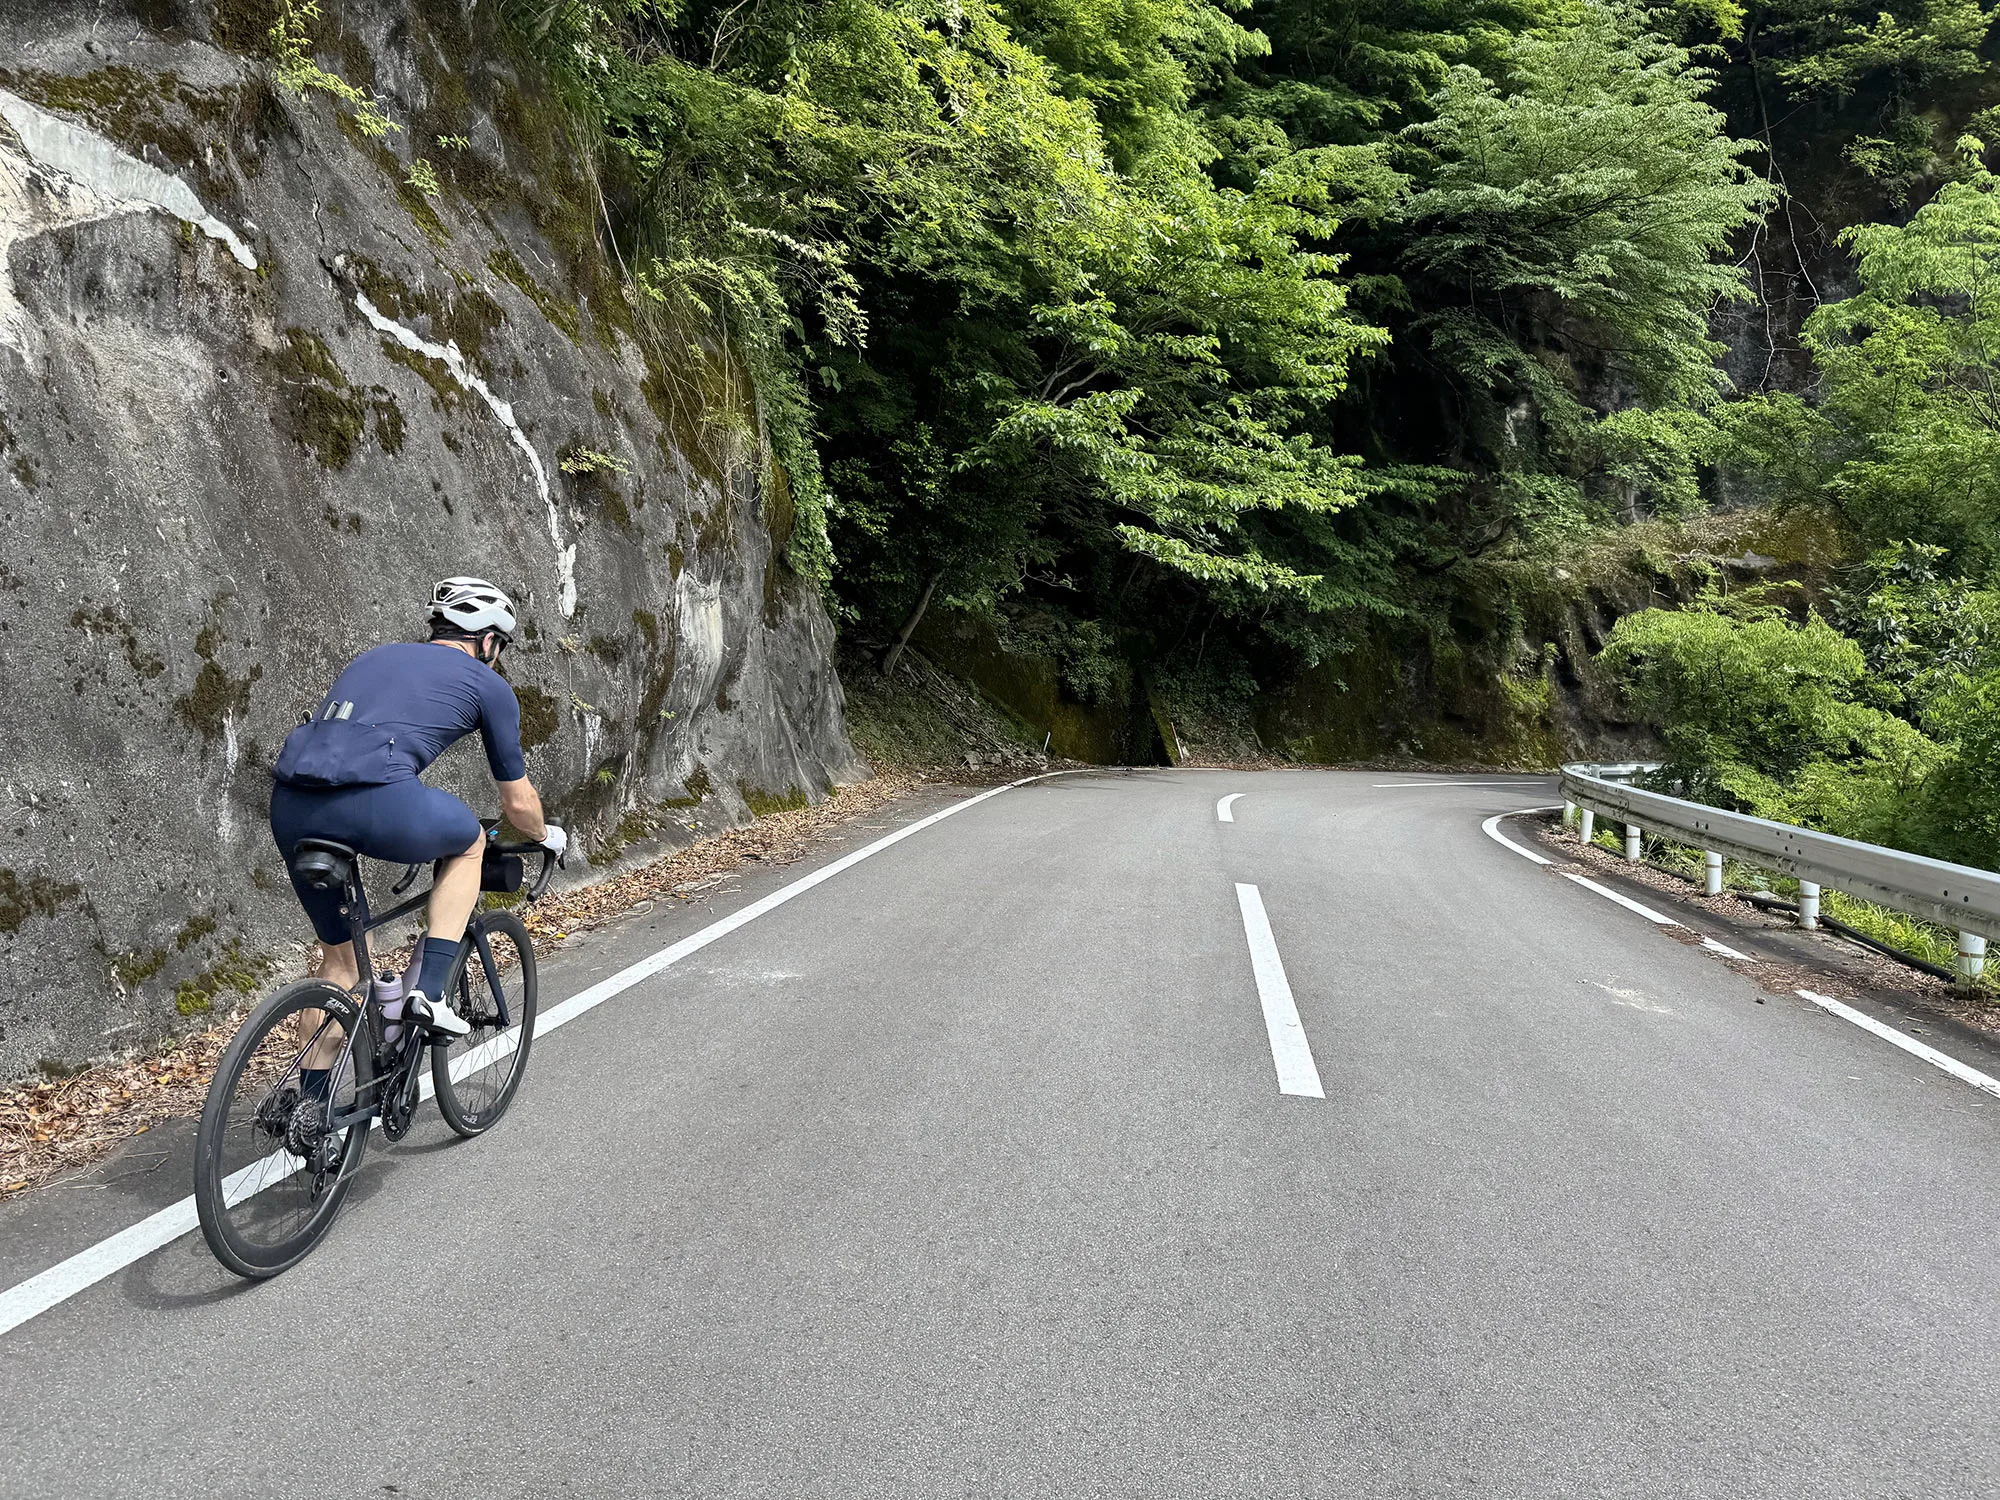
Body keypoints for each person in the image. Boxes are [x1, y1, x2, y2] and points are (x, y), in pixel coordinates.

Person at [268, 578, 566, 1084]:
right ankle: (426, 992)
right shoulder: (486, 684)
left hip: (293, 804)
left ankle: (308, 1111)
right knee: (470, 841)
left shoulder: (373, 657)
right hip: (376, 799)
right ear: (488, 641)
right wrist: (545, 836)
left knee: (339, 966)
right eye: (500, 646)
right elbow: (518, 802)